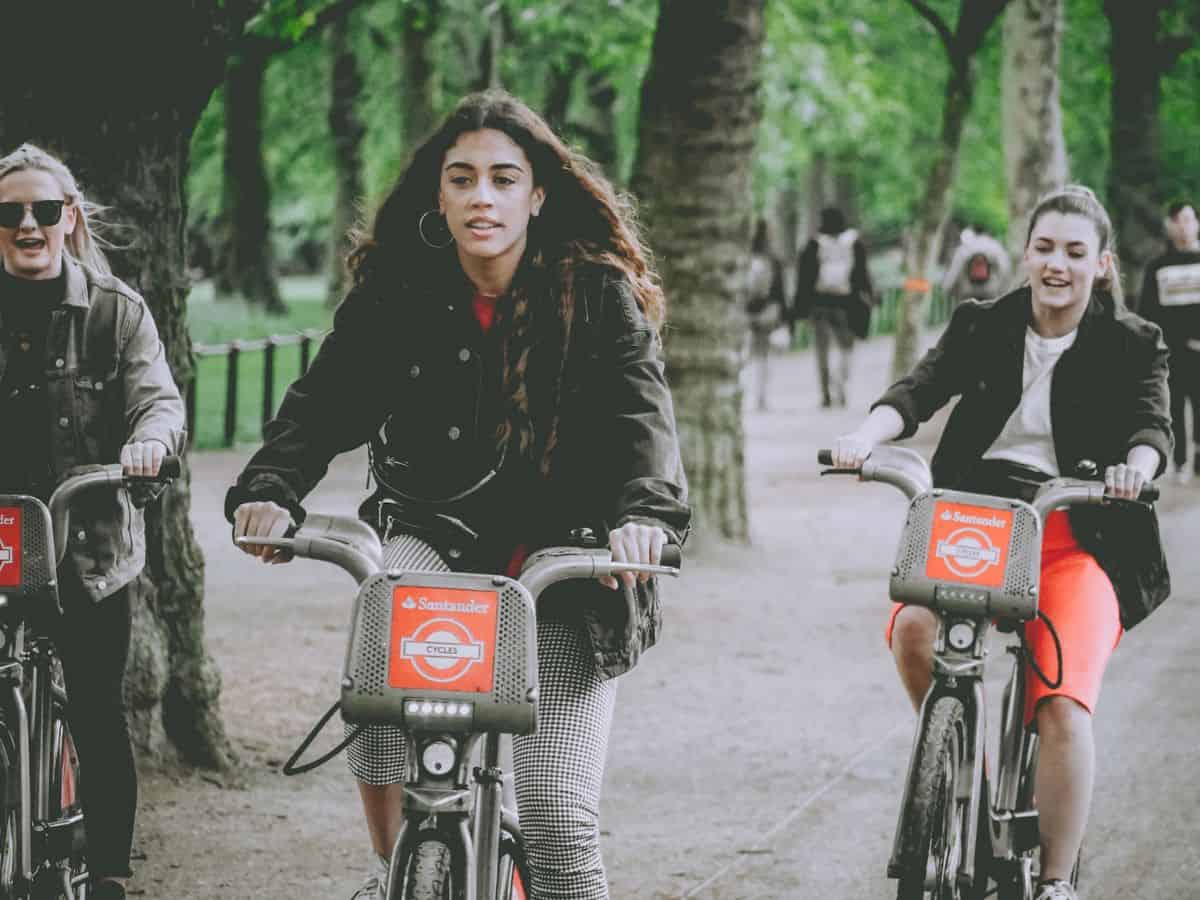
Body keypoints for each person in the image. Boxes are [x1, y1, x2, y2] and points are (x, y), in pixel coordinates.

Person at [225, 90, 690, 900]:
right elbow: (326, 402)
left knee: (554, 816)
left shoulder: (598, 293)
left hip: (572, 566)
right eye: (463, 178)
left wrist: (645, 516)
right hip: (438, 536)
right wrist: (270, 488)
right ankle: (396, 872)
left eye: (504, 178)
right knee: (379, 671)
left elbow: (643, 417)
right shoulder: (400, 293)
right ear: (438, 196)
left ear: (537, 196)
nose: (483, 196)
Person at [830, 185, 1171, 900]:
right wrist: (865, 437)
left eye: (1075, 253)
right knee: (915, 633)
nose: (1057, 265)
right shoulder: (984, 322)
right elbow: (920, 388)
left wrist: (1134, 473)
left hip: (1080, 529)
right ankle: (957, 764)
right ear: (1025, 253)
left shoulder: (1133, 342)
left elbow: (1151, 425)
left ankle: (1052, 883)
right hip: (977, 522)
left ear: (1100, 264)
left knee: (1060, 700)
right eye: (1044, 248)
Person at [0, 144, 186, 899]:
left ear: (69, 218)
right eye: (10, 213)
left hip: (88, 546)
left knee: (99, 716)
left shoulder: (117, 311)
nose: (28, 224)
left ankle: (107, 873)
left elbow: (159, 400)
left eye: (45, 210)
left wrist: (147, 442)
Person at [1136, 200, 1200, 481]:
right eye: (1177, 221)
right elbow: (1147, 313)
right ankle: (1179, 462)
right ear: (1169, 227)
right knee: (1172, 407)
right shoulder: (1157, 267)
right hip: (1170, 353)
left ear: (1196, 223)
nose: (1183, 226)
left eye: (1187, 220)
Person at [793, 206, 874, 408]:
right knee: (847, 347)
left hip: (819, 303)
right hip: (846, 303)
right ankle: (842, 382)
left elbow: (803, 279)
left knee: (822, 350)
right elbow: (863, 274)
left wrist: (799, 309)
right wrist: (870, 295)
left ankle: (825, 393)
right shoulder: (854, 244)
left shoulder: (813, 244)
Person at [744, 218, 788, 412]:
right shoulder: (774, 260)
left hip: (746, 311)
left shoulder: (745, 257)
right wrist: (784, 316)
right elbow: (780, 291)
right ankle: (761, 397)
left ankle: (745, 393)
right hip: (767, 312)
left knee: (747, 353)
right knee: (763, 355)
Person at [941, 221, 1012, 303]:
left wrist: (946, 289)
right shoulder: (995, 246)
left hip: (968, 292)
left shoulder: (965, 248)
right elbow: (1005, 269)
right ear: (987, 232)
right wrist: (1003, 291)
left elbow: (954, 271)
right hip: (990, 291)